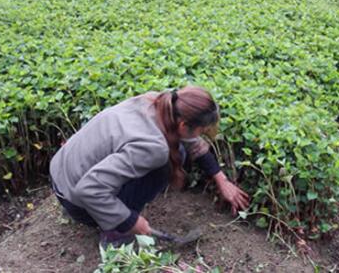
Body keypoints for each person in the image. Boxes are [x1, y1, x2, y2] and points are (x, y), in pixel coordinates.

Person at [49, 86, 250, 246]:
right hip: (77, 200)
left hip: (61, 173)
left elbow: (191, 140)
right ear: (184, 125)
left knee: (175, 151)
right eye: (202, 130)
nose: (202, 135)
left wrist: (221, 179)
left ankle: (112, 213)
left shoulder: (159, 102)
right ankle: (114, 235)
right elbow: (90, 189)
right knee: (166, 163)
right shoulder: (152, 147)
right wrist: (129, 221)